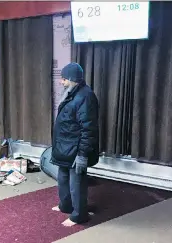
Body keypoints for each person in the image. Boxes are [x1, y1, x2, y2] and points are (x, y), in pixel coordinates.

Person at [51, 62, 99, 227]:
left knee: (76, 183)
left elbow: (89, 129)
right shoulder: (71, 93)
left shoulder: (86, 96)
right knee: (63, 178)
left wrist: (82, 154)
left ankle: (79, 215)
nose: (61, 82)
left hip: (77, 150)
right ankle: (66, 206)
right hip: (64, 147)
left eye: (64, 79)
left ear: (72, 79)